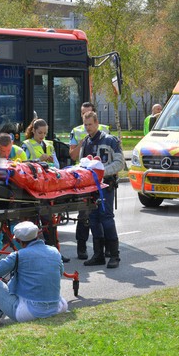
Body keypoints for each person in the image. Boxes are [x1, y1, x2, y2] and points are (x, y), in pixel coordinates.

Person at [0, 221, 68, 328]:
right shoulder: (54, 251)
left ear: (17, 240)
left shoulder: (18, 255)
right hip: (58, 307)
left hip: (30, 312)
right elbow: (60, 272)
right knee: (16, 284)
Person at [80, 111, 125, 268]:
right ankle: (98, 255)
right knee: (93, 219)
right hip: (90, 188)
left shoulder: (111, 140)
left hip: (106, 186)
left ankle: (114, 256)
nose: (88, 128)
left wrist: (101, 172)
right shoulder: (85, 142)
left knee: (106, 218)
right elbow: (81, 164)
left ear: (97, 123)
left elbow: (120, 163)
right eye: (85, 125)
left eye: (90, 124)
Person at [22, 118, 68, 262]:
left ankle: (55, 254)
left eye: (44, 133)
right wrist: (38, 160)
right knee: (33, 223)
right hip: (32, 188)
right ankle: (33, 256)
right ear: (33, 131)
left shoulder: (49, 145)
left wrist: (50, 161)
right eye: (40, 133)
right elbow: (22, 165)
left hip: (47, 187)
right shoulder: (27, 145)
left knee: (49, 223)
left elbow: (56, 165)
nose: (42, 136)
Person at [68, 102, 110, 259]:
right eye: (82, 113)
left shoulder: (105, 130)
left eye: (88, 113)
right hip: (84, 181)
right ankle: (81, 247)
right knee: (84, 215)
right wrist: (84, 140)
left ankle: (104, 248)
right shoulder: (77, 132)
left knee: (103, 214)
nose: (84, 117)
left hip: (102, 180)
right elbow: (72, 155)